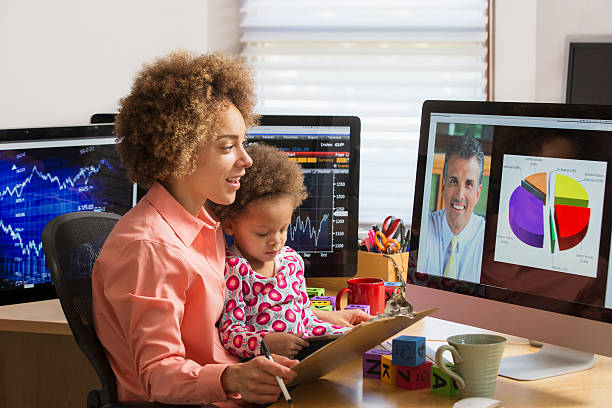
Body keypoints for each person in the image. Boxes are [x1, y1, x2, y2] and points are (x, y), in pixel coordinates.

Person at [91, 51, 298, 407]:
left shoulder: (207, 226)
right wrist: (233, 377)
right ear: (178, 152)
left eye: (243, 143)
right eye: (227, 146)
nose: (245, 159)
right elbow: (157, 373)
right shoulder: (150, 248)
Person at [210, 144, 363, 361]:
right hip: (267, 362)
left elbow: (304, 315)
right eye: (263, 233)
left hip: (305, 349)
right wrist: (264, 343)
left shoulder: (292, 261)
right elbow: (231, 332)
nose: (276, 241)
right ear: (229, 225)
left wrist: (343, 331)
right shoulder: (235, 269)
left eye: (283, 229)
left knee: (358, 344)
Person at [420, 135, 486, 283]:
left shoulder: (486, 242)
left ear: (478, 193)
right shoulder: (423, 229)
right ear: (443, 185)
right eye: (453, 181)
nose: (459, 195)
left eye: (469, 184)